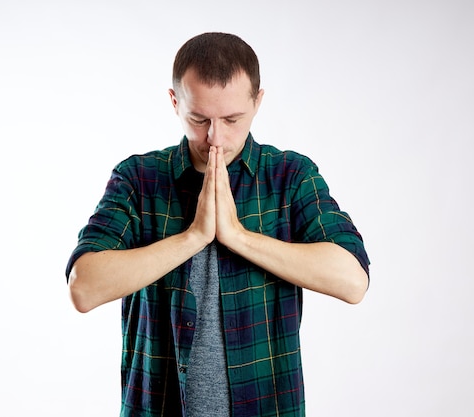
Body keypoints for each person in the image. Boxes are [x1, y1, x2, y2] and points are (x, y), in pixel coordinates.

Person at [66, 32, 370, 417]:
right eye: (198, 119)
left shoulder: (290, 176)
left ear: (257, 102)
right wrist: (194, 236)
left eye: (231, 119)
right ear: (175, 102)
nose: (215, 138)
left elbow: (353, 281)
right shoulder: (138, 179)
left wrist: (238, 237)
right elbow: (84, 288)